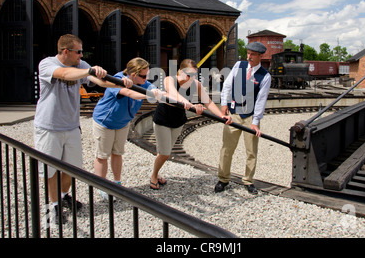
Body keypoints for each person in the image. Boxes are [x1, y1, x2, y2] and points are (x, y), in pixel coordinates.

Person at [34, 34, 131, 221]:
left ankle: (63, 196)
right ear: (65, 51)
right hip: (49, 127)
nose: (81, 55)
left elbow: (101, 82)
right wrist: (89, 72)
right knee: (50, 169)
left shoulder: (81, 65)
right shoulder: (47, 63)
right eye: (78, 52)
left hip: (71, 127)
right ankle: (53, 206)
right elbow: (64, 74)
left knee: (72, 168)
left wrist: (122, 82)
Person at [151, 59, 232, 190]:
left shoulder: (196, 84)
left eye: (194, 75)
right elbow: (174, 94)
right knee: (165, 153)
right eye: (189, 75)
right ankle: (154, 176)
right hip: (163, 119)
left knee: (165, 152)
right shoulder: (170, 79)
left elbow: (208, 102)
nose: (191, 78)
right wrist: (191, 105)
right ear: (181, 72)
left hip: (178, 121)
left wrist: (221, 116)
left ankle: (157, 171)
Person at [92, 57, 162, 200]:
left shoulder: (143, 82)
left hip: (122, 123)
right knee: (102, 155)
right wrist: (150, 95)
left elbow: (152, 88)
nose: (145, 78)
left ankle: (117, 183)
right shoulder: (117, 80)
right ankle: (101, 185)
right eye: (143, 76)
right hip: (105, 122)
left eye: (146, 75)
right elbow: (130, 93)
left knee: (117, 153)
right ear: (133, 75)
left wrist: (158, 92)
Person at [214, 42, 271, 195]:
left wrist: (255, 122)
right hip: (233, 113)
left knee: (251, 151)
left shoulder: (265, 76)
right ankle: (223, 179)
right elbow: (227, 85)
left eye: (253, 54)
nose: (249, 56)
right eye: (248, 53)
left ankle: (248, 181)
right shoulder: (239, 65)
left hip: (250, 115)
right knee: (227, 148)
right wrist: (224, 103)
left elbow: (261, 100)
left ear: (260, 56)